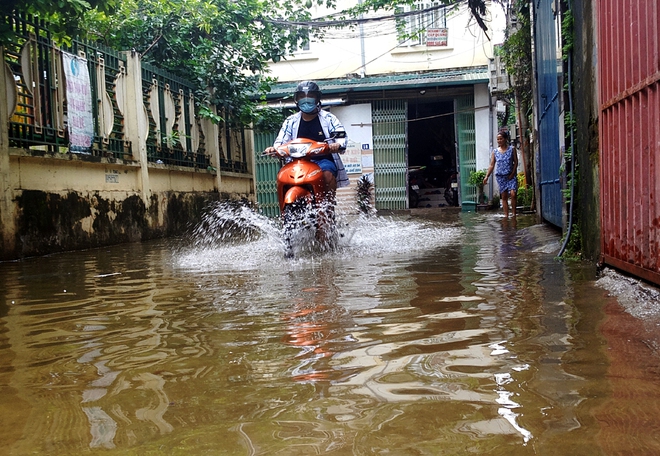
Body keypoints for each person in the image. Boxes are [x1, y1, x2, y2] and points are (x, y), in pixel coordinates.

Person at [265, 81, 349, 194]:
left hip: (322, 160)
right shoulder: (291, 121)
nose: (306, 99)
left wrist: (337, 144)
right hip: (296, 162)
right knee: (282, 178)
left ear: (317, 98)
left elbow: (340, 135)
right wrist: (274, 149)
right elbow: (281, 141)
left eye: (310, 96)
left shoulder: (329, 118)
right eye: (301, 96)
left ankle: (327, 207)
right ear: (297, 99)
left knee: (327, 175)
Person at [483, 129, 518, 217]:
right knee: (504, 196)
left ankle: (514, 214)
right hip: (501, 177)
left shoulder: (512, 149)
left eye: (501, 139)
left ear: (505, 139)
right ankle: (506, 215)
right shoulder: (495, 152)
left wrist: (513, 173)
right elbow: (492, 165)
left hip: (511, 175)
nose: (499, 141)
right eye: (498, 139)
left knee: (513, 194)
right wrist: (487, 176)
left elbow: (516, 162)